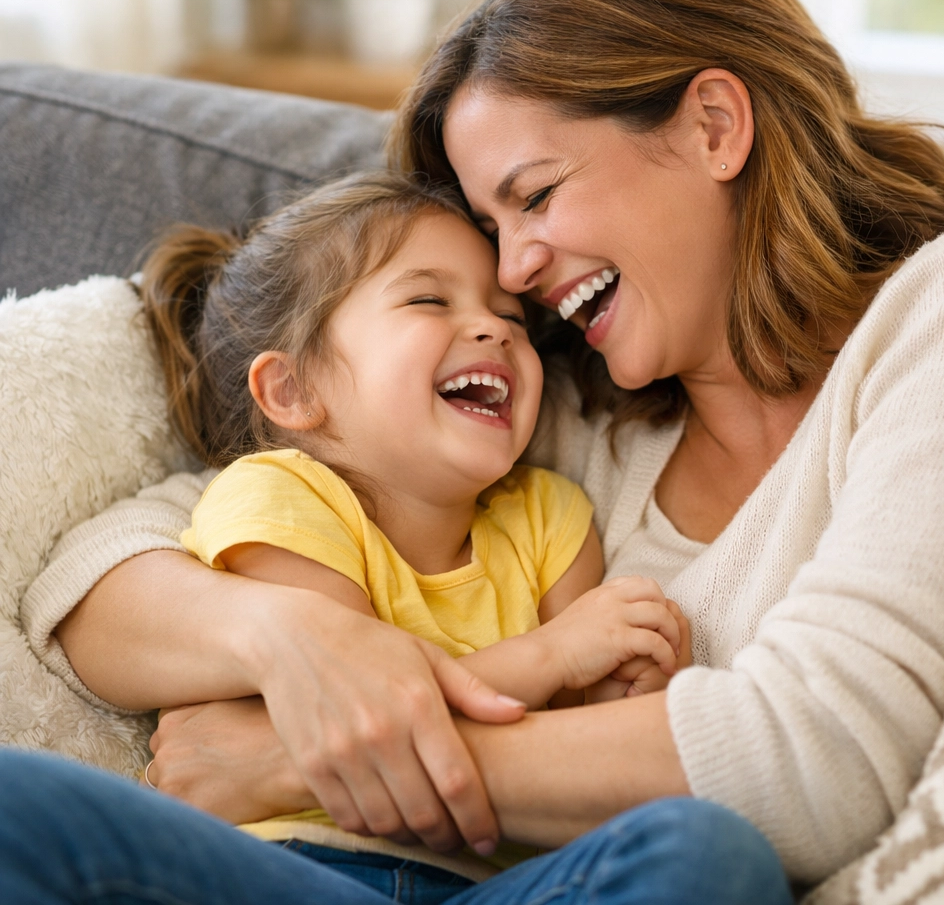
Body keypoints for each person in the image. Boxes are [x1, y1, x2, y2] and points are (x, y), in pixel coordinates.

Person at [27, 0, 944, 895]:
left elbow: (822, 760)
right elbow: (94, 568)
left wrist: (312, 760)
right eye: (491, 227)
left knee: (700, 855)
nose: (513, 274)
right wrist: (294, 638)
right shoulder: (567, 417)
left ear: (713, 127)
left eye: (536, 195)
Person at [137, 169, 688, 881]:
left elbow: (570, 738)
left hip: (492, 882)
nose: (495, 327)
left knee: (698, 845)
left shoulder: (552, 518)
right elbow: (359, 710)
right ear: (295, 389)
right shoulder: (281, 496)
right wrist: (554, 654)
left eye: (514, 318)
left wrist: (621, 683)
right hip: (308, 863)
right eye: (429, 299)